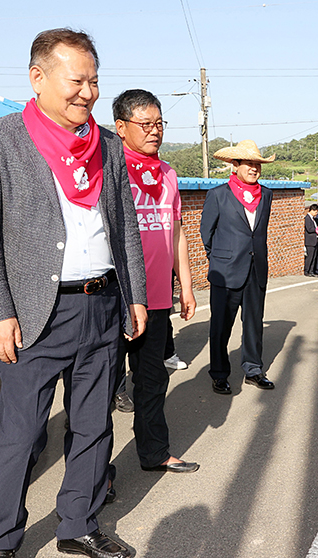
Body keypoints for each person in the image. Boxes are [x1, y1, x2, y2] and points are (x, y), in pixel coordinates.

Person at [0, 28, 147, 558]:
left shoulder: (110, 148)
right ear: (38, 77)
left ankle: (79, 524)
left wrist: (135, 293)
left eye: (95, 81)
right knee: (21, 436)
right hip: (33, 315)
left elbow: (125, 229)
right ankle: (1, 540)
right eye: (77, 80)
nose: (88, 93)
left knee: (94, 424)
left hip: (103, 303)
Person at [113, 89, 199, 474]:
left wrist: (187, 284)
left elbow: (177, 231)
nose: (155, 131)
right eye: (145, 124)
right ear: (121, 127)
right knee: (97, 393)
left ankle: (155, 452)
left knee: (152, 381)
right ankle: (99, 477)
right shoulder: (110, 169)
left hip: (158, 295)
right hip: (116, 297)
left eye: (159, 123)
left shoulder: (168, 174)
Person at [201, 140, 276, 395]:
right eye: (249, 164)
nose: (254, 169)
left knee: (254, 324)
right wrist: (220, 259)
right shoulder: (218, 195)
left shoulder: (266, 195)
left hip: (256, 270)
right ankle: (219, 374)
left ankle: (253, 369)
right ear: (235, 165)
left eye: (257, 164)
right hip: (226, 272)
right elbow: (206, 233)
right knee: (221, 327)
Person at [304, 204, 318, 277]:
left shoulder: (313, 219)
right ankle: (307, 270)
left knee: (314, 257)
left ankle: (311, 270)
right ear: (312, 210)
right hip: (310, 241)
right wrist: (317, 230)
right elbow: (309, 229)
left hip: (315, 241)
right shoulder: (307, 218)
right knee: (310, 257)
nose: (316, 214)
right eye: (316, 212)